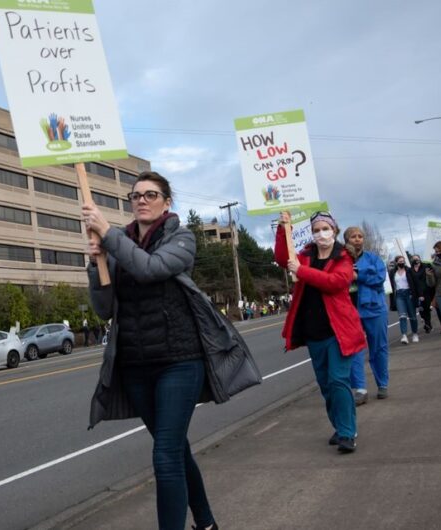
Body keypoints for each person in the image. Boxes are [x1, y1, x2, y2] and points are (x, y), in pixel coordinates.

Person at [83, 171, 261, 530]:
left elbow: (150, 269)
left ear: (167, 202)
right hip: (135, 366)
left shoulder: (181, 238)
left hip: (179, 362)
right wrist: (95, 264)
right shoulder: (118, 244)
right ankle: (206, 523)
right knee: (176, 449)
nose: (141, 200)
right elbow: (103, 309)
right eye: (136, 195)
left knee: (164, 456)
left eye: (151, 194)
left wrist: (108, 235)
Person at [276, 212, 365, 453]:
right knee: (326, 385)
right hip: (314, 332)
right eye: (316, 230)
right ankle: (340, 426)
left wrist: (302, 271)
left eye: (325, 229)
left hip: (339, 332)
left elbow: (336, 282)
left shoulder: (343, 256)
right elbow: (283, 258)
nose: (321, 233)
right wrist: (284, 229)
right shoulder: (305, 255)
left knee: (338, 381)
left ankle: (347, 432)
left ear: (334, 231)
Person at [343, 226, 390, 404]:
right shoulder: (341, 260)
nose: (357, 239)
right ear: (346, 240)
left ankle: (382, 384)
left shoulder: (373, 258)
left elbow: (379, 279)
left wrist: (358, 275)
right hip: (349, 311)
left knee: (379, 348)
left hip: (374, 309)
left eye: (360, 236)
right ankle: (360, 389)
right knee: (354, 350)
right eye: (353, 236)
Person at [389, 254, 421, 344]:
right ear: (396, 263)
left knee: (412, 316)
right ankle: (404, 336)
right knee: (402, 316)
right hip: (399, 295)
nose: (402, 263)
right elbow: (390, 284)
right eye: (400, 261)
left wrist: (418, 294)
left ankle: (415, 334)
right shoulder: (393, 273)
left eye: (403, 261)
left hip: (409, 294)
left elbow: (415, 282)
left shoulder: (409, 270)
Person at [410, 255, 435, 333]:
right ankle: (426, 322)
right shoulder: (410, 270)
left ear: (420, 259)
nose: (416, 260)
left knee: (427, 308)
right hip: (417, 292)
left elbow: (431, 271)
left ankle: (428, 324)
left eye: (417, 259)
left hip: (426, 291)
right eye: (414, 259)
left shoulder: (425, 266)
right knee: (421, 309)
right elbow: (411, 282)